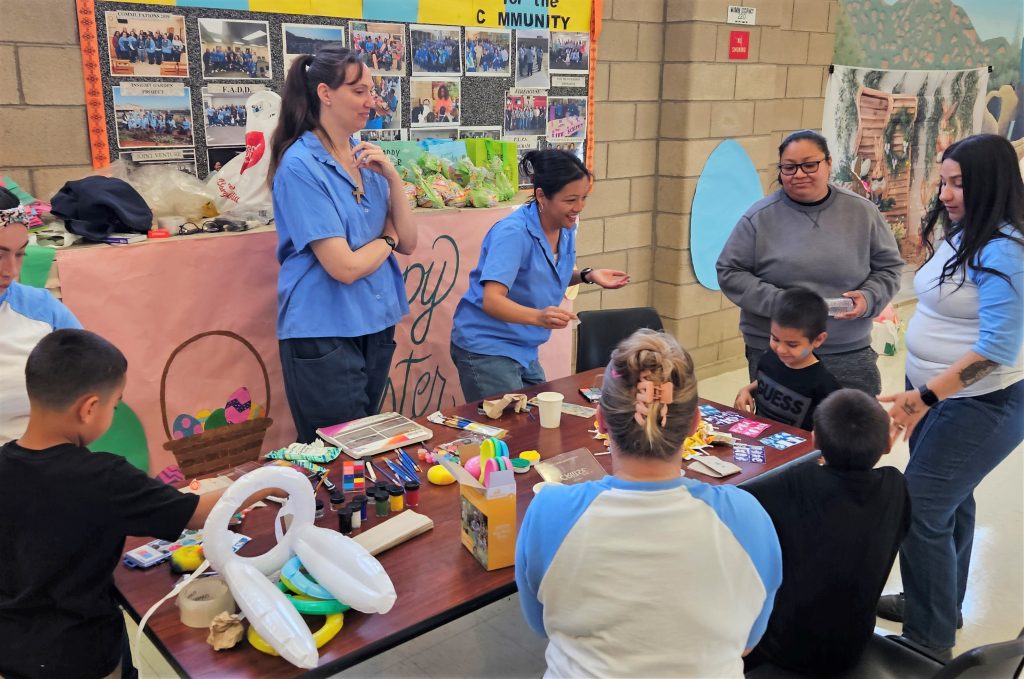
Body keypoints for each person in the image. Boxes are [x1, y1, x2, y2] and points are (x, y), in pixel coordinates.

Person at [0, 329, 279, 678]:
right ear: (89, 408)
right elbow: (197, 512)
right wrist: (270, 479)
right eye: (115, 405)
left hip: (14, 653)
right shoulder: (103, 478)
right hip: (84, 656)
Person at [516, 329, 782, 677]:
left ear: (600, 421)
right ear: (695, 426)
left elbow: (541, 625)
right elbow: (747, 641)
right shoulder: (748, 517)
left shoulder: (549, 510)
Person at [877, 133, 1024, 659]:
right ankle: (940, 603)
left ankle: (928, 639)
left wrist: (924, 398)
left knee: (920, 509)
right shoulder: (966, 235)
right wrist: (923, 391)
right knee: (951, 505)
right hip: (940, 397)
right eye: (944, 180)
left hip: (981, 405)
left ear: (991, 183)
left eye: (959, 182)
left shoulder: (1006, 249)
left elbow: (997, 350)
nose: (946, 193)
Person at [269, 45, 417, 443]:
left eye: (372, 90)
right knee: (338, 453)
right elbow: (345, 267)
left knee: (366, 445)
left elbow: (411, 242)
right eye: (359, 91)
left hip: (375, 323)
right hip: (324, 330)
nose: (371, 101)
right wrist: (387, 235)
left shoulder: (364, 157)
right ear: (325, 93)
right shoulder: (300, 164)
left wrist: (393, 180)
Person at [716, 129, 904, 395]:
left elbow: (889, 267)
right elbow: (729, 271)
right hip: (778, 350)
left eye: (809, 165)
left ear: (828, 163)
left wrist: (868, 297)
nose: (799, 174)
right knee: (781, 432)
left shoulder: (862, 212)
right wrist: (782, 304)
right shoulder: (759, 217)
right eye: (789, 167)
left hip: (846, 348)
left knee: (848, 431)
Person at [743, 389, 910, 676]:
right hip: (852, 646)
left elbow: (739, 500)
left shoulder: (796, 482)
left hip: (781, 650)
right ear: (887, 444)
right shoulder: (896, 487)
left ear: (813, 439)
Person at [450, 149, 629, 401]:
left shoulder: (564, 226)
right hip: (488, 347)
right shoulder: (513, 233)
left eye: (583, 198)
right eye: (570, 200)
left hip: (524, 346)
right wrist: (539, 317)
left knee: (541, 418)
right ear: (542, 196)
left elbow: (547, 275)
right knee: (512, 430)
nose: (578, 208)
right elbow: (492, 300)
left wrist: (588, 275)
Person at [0, 217, 81, 445]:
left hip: (34, 465)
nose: (12, 271)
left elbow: (99, 377)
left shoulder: (42, 310)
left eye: (20, 254)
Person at [734, 287, 842, 430]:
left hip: (796, 450)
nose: (780, 349)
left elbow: (835, 431)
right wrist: (746, 390)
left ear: (818, 340)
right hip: (758, 438)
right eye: (775, 339)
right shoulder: (770, 357)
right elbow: (765, 380)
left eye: (792, 344)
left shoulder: (824, 384)